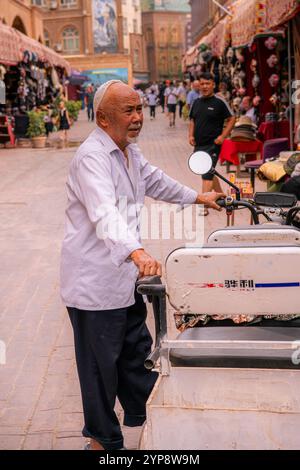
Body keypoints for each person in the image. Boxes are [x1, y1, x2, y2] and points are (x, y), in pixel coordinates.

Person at [60, 80, 224, 451]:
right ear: (102, 118)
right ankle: (102, 442)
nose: (137, 118)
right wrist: (136, 252)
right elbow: (104, 211)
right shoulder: (92, 157)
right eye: (128, 111)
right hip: (94, 284)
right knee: (100, 369)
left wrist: (198, 196)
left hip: (124, 277)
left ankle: (157, 418)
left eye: (138, 110)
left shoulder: (128, 150)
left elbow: (155, 180)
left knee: (136, 354)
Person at [189, 72, 236, 215]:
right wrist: (190, 135)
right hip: (199, 145)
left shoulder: (219, 102)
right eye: (202, 84)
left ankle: (204, 205)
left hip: (213, 144)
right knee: (208, 171)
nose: (204, 86)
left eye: (207, 84)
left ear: (213, 85)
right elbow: (192, 120)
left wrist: (223, 136)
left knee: (206, 174)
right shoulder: (196, 102)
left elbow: (232, 118)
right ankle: (223, 196)